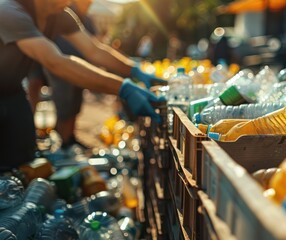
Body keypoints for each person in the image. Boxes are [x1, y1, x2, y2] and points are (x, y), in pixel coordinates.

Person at [0, 0, 167, 171]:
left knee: (23, 158)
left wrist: (133, 70)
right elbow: (56, 62)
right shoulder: (9, 11)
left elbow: (94, 50)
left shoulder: (59, 14)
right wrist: (122, 88)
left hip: (13, 91)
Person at [27, 0, 99, 150]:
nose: (89, 3)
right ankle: (42, 136)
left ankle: (68, 138)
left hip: (75, 65)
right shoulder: (61, 9)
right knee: (60, 99)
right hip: (55, 62)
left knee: (73, 103)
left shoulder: (87, 19)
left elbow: (94, 47)